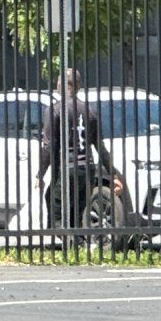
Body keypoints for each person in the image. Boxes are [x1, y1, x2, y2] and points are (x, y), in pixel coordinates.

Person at [36, 69, 124, 228]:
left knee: (56, 210)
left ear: (59, 85)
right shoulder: (90, 110)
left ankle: (65, 239)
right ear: (78, 86)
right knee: (78, 214)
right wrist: (113, 175)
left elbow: (49, 146)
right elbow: (100, 147)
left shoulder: (55, 110)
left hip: (66, 169)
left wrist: (40, 174)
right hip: (87, 170)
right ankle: (77, 240)